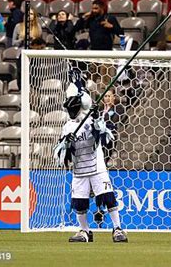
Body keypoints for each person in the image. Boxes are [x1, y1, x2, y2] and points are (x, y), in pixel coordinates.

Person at [54, 69, 127, 243]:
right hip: (79, 169)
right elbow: (62, 153)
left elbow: (104, 136)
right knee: (79, 203)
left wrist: (95, 118)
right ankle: (85, 231)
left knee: (108, 197)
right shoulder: (67, 127)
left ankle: (117, 229)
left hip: (97, 166)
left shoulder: (91, 120)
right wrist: (67, 143)